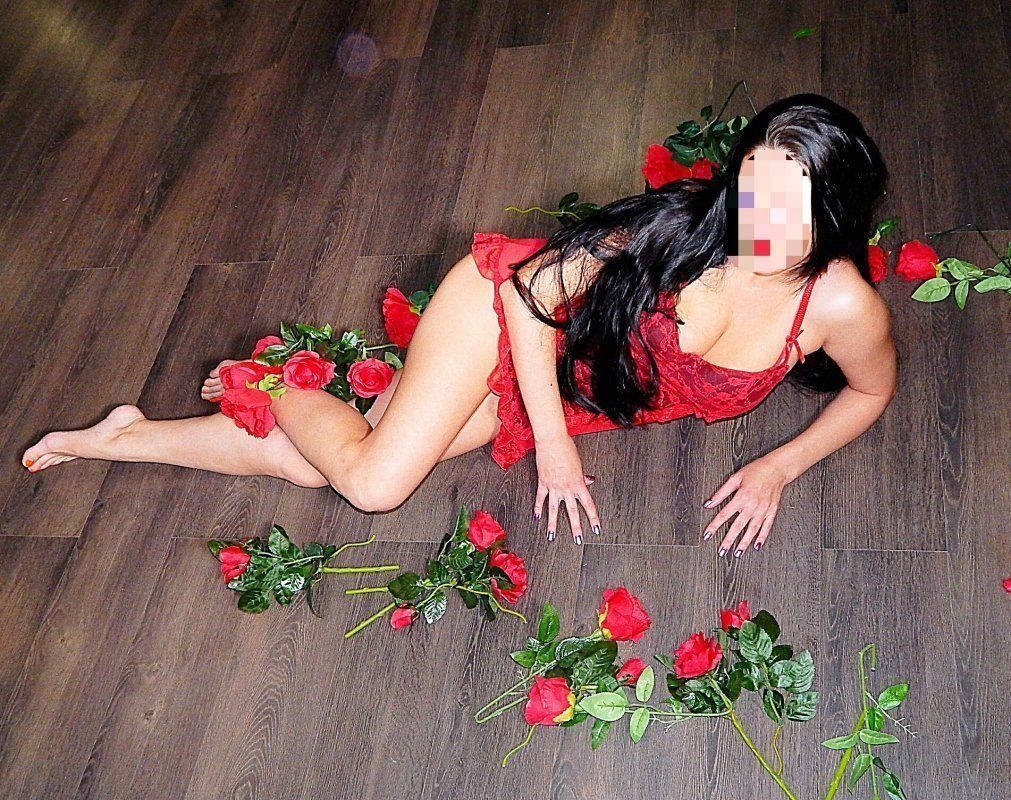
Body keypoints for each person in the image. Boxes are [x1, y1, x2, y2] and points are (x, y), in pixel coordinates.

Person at [21, 93, 898, 558]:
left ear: (834, 210)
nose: (758, 219)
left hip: (560, 376)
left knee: (313, 465)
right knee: (374, 486)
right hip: (501, 316)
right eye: (750, 185)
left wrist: (778, 467)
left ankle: (125, 437)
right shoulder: (671, 232)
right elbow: (525, 295)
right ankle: (274, 382)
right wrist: (553, 448)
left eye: (789, 200)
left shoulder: (840, 305)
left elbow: (869, 391)